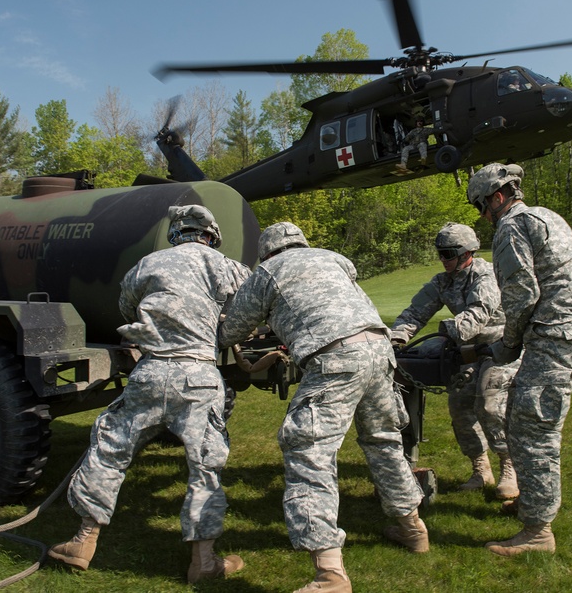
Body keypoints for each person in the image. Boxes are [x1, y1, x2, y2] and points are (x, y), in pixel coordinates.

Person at [219, 222, 427, 593]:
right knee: (383, 441)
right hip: (379, 350)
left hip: (335, 356)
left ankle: (329, 574)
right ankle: (412, 529)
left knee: (307, 449)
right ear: (301, 242)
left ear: (266, 251)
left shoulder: (268, 270)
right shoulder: (333, 259)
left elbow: (233, 328)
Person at [49, 205, 250, 583]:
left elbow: (126, 306)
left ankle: (82, 540)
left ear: (177, 233)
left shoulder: (148, 263)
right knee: (205, 464)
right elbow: (249, 309)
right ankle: (203, 561)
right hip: (199, 377)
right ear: (211, 235)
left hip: (151, 370)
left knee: (109, 449)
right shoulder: (228, 267)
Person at [466, 164, 572, 557]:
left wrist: (507, 346)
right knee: (521, 419)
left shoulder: (511, 226)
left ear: (496, 198)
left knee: (533, 431)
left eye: (481, 207)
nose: (483, 217)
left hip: (555, 338)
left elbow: (522, 293)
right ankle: (532, 506)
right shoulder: (549, 216)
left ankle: (538, 532)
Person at [389, 222, 519, 501]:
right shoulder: (443, 281)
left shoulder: (485, 276)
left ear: (465, 253)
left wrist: (450, 329)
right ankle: (480, 469)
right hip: (466, 351)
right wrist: (395, 338)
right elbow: (415, 312)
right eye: (440, 254)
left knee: (489, 402)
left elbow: (478, 313)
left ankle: (509, 467)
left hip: (500, 348)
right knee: (460, 407)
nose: (443, 260)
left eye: (447, 254)